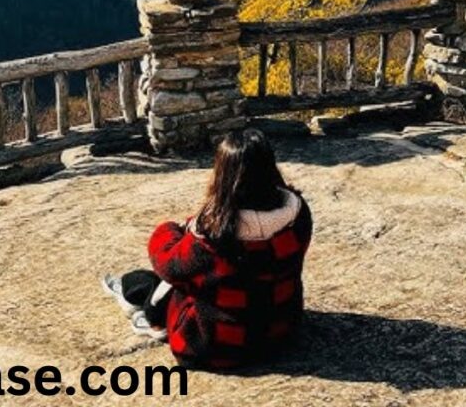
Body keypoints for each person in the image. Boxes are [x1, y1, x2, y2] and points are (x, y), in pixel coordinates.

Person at [102, 129, 313, 370]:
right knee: (216, 279)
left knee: (169, 283)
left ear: (224, 175)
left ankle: (143, 309)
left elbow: (167, 263)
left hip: (218, 346)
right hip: (280, 331)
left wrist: (171, 229)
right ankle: (138, 300)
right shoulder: (297, 216)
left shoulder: (213, 239)